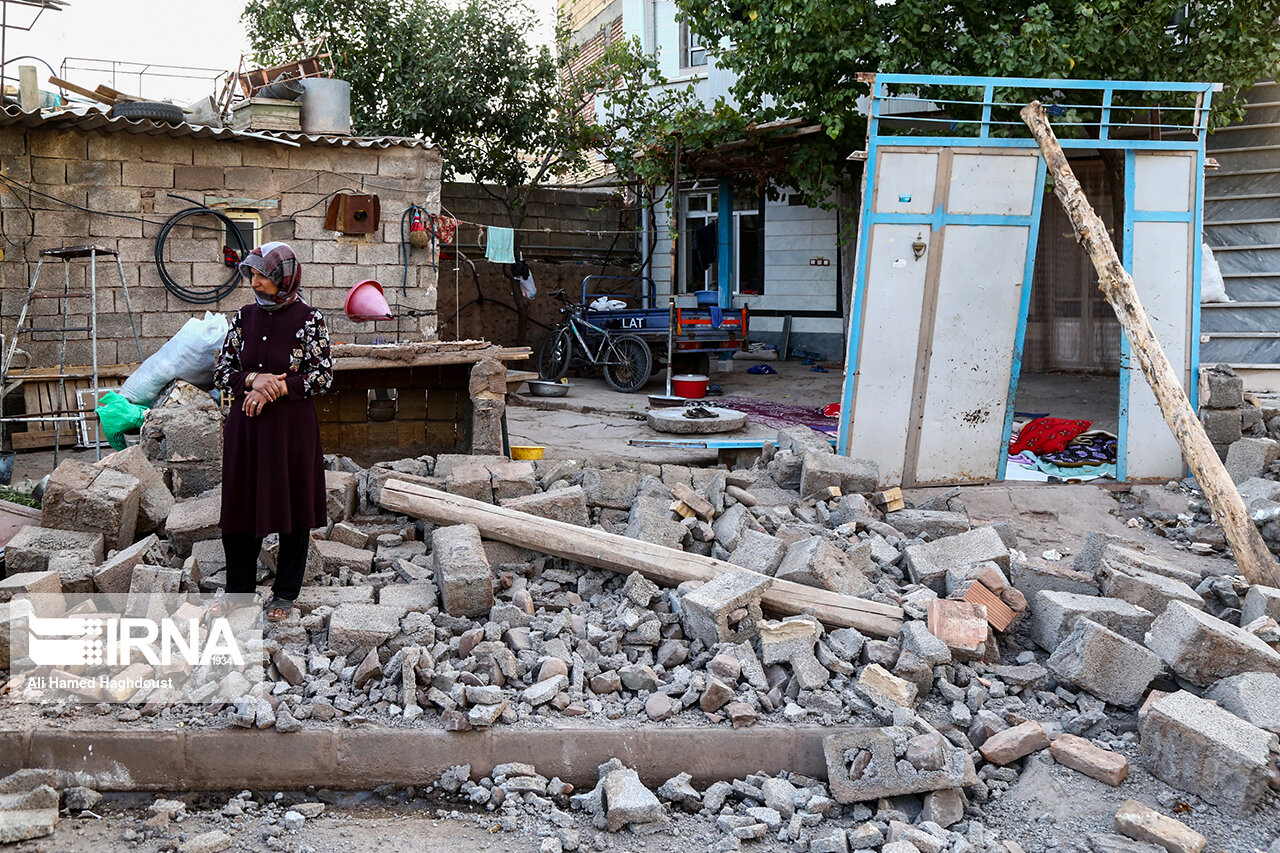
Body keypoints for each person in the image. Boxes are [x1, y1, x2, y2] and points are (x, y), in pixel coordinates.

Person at [213, 242, 333, 622]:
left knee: (292, 507)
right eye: (252, 274)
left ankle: (284, 593)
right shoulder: (243, 317)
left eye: (263, 276)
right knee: (240, 506)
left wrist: (278, 387)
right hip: (247, 430)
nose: (255, 282)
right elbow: (222, 372)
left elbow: (322, 376)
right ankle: (238, 593)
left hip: (291, 432)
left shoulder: (309, 319)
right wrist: (254, 379)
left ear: (285, 279)